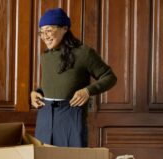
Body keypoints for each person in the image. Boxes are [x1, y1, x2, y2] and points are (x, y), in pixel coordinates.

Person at [31, 8, 117, 147]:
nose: (44, 36)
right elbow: (53, 84)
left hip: (70, 115)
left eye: (48, 30)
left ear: (64, 28)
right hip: (45, 116)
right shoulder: (45, 56)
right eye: (41, 32)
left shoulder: (84, 53)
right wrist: (37, 92)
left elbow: (110, 77)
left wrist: (87, 91)